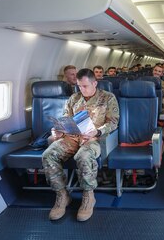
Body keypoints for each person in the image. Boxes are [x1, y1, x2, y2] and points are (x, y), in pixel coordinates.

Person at [42, 68, 119, 222]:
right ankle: (62, 195)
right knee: (48, 155)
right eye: (79, 86)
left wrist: (96, 132)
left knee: (83, 156)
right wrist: (58, 130)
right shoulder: (73, 98)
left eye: (85, 86)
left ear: (94, 83)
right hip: (72, 137)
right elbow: (65, 118)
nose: (81, 89)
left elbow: (113, 122)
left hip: (94, 139)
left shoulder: (108, 98)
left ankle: (88, 196)